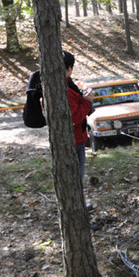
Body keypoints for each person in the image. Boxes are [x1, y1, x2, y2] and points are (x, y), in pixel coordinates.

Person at [63, 51, 95, 212]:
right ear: (69, 68)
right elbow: (74, 118)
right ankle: (77, 212)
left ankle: (79, 206)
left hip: (77, 139)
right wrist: (88, 102)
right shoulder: (64, 89)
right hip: (74, 141)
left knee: (76, 179)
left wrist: (83, 97)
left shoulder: (68, 84)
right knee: (75, 179)